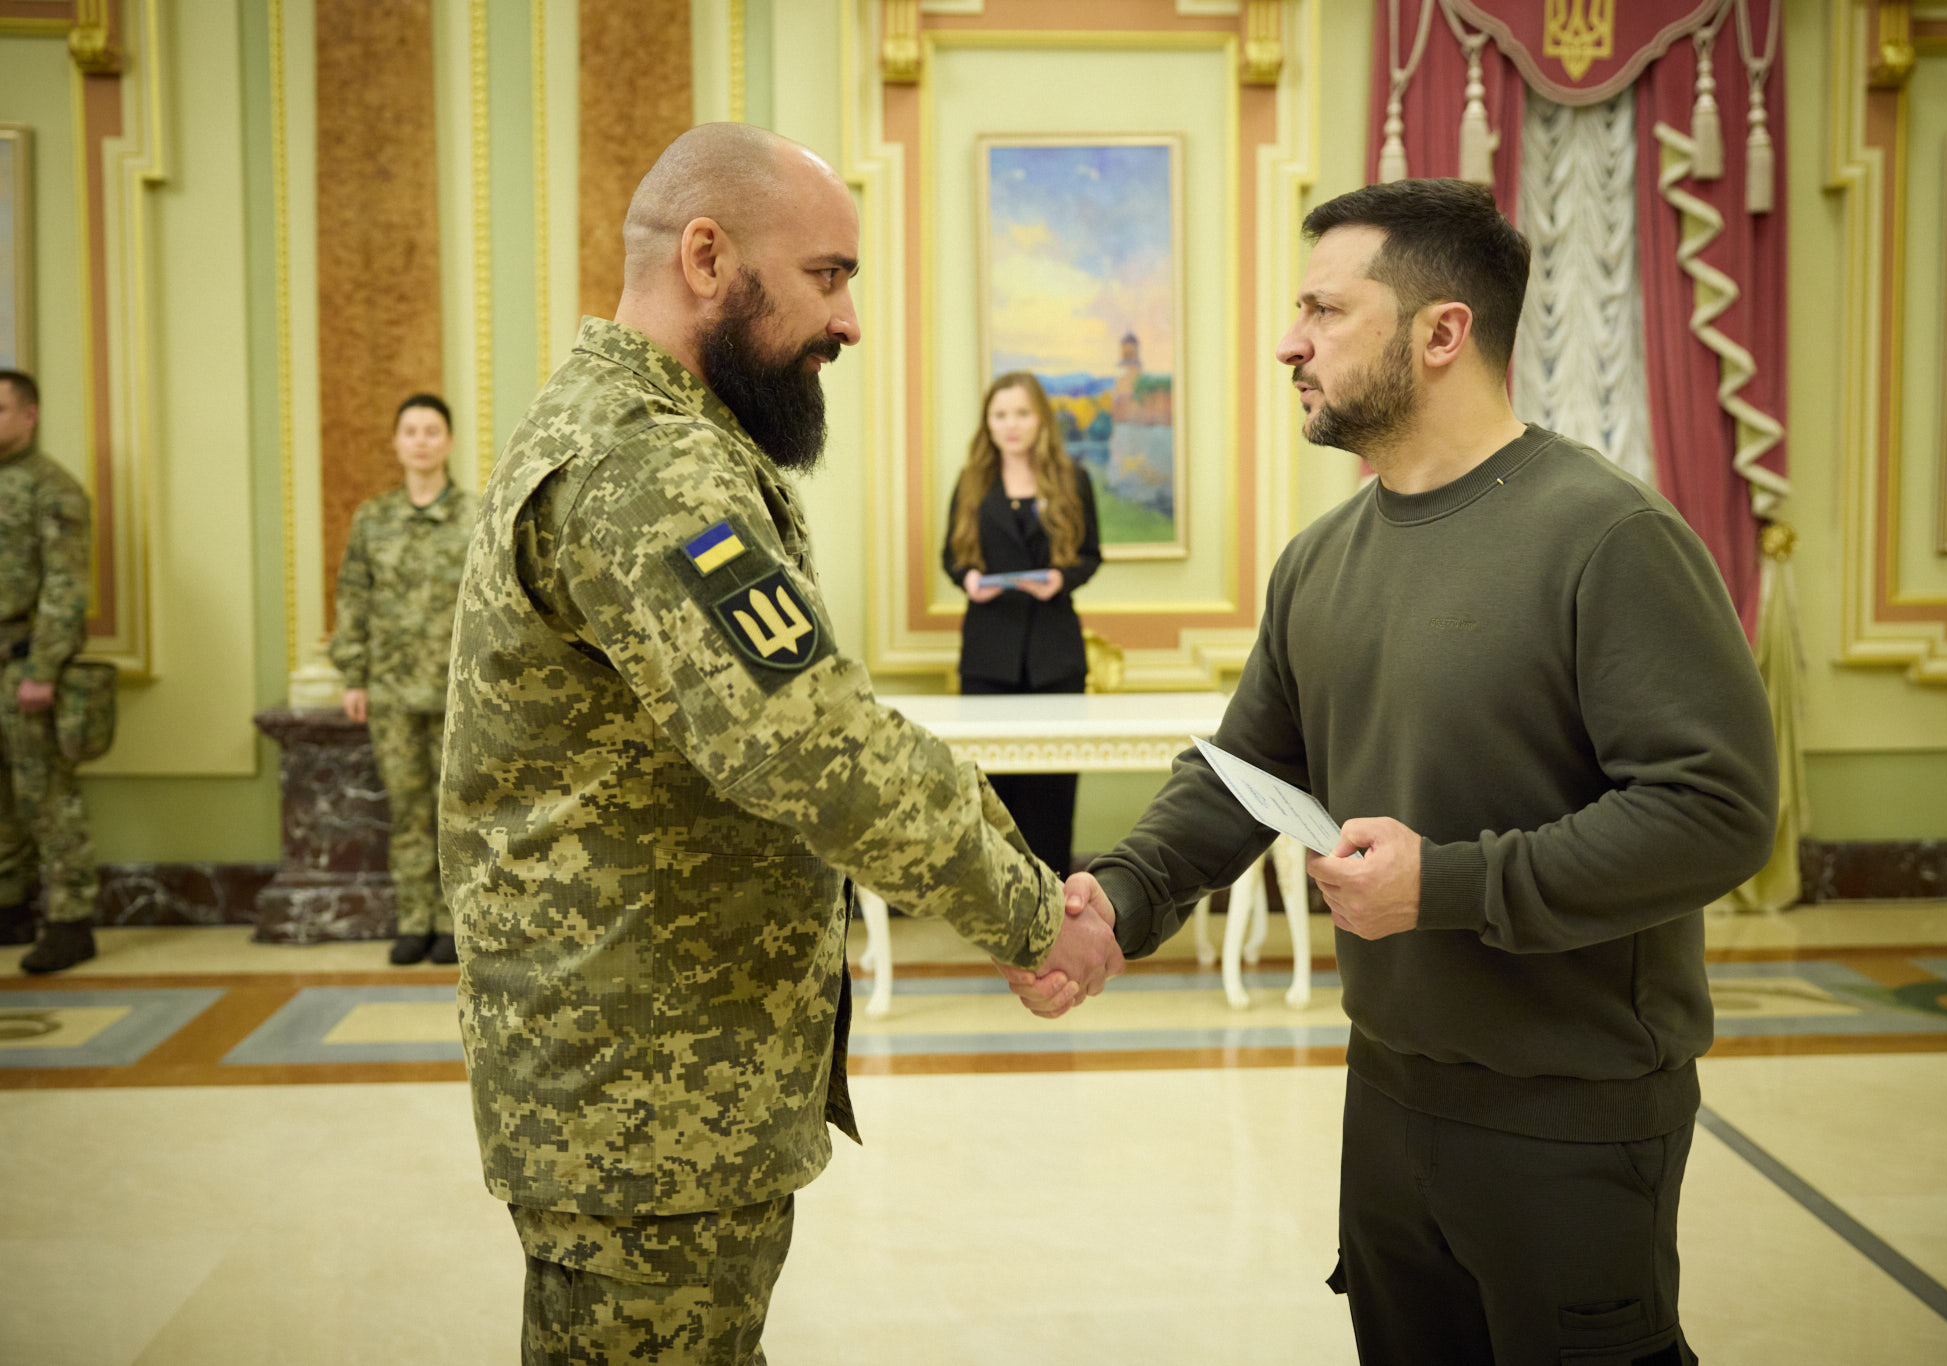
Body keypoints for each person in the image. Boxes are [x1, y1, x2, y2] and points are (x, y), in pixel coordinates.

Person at [1007, 179, 1777, 1365]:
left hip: (1570, 1108)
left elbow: (1714, 811)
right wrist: (1120, 897)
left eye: (1323, 310)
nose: (1288, 342)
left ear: (1440, 332)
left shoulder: (1606, 536)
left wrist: (1446, 886)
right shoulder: (1320, 560)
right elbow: (1245, 770)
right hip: (1386, 1094)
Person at [438, 122, 1124, 1365]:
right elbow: (809, 740)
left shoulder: (646, 433)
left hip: (659, 1079)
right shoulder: (643, 463)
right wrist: (1032, 910)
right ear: (707, 257)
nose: (848, 320)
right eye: (826, 275)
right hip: (645, 1097)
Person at [329, 394, 475, 967]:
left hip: (455, 691)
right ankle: (415, 920)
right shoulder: (373, 519)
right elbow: (353, 598)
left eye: (431, 431)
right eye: (410, 431)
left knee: (456, 811)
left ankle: (454, 923)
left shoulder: (475, 514)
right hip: (391, 690)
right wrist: (354, 674)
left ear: (449, 441)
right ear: (396, 442)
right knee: (408, 810)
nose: (421, 441)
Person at [941, 371, 1102, 874]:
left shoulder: (1073, 480)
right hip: (988, 658)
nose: (1011, 424)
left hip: (1056, 658)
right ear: (988, 423)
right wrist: (969, 579)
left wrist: (1060, 579)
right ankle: (997, 900)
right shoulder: (972, 482)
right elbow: (952, 557)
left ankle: (1054, 897)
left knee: (1052, 792)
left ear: (1041, 421)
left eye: (1022, 413)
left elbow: (1090, 555)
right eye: (1001, 414)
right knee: (991, 795)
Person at [0, 369, 101, 975]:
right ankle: (8, 906)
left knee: (46, 796)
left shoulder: (52, 488)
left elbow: (66, 585)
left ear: (29, 415)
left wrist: (42, 668)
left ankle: (70, 920)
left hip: (24, 665)